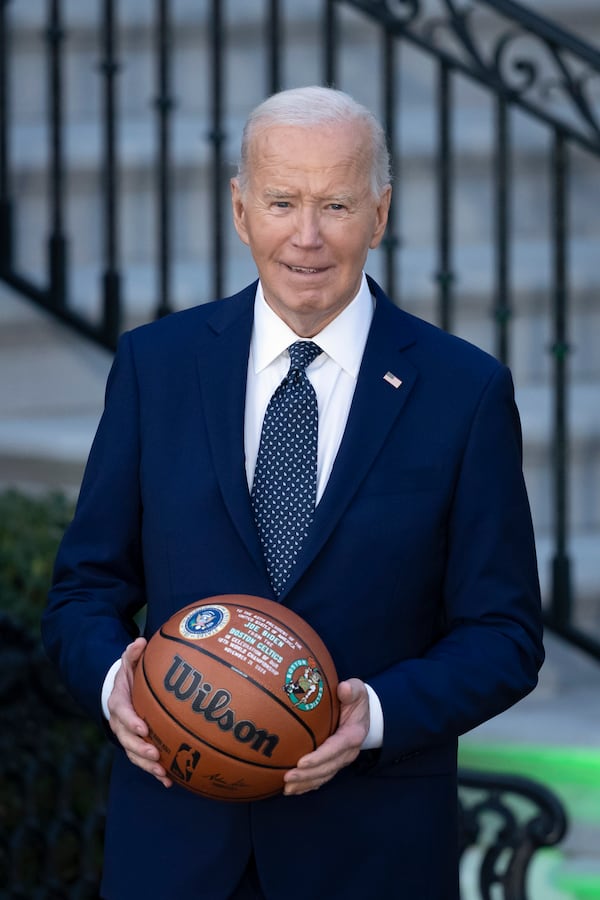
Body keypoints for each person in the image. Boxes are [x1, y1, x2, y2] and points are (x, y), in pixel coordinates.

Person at [43, 85, 544, 900]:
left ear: (379, 216)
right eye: (282, 202)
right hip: (175, 848)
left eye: (336, 204)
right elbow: (83, 593)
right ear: (241, 211)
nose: (306, 237)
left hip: (371, 858)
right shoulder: (155, 367)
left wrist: (373, 716)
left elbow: (504, 635)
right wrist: (118, 687)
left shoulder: (465, 392)